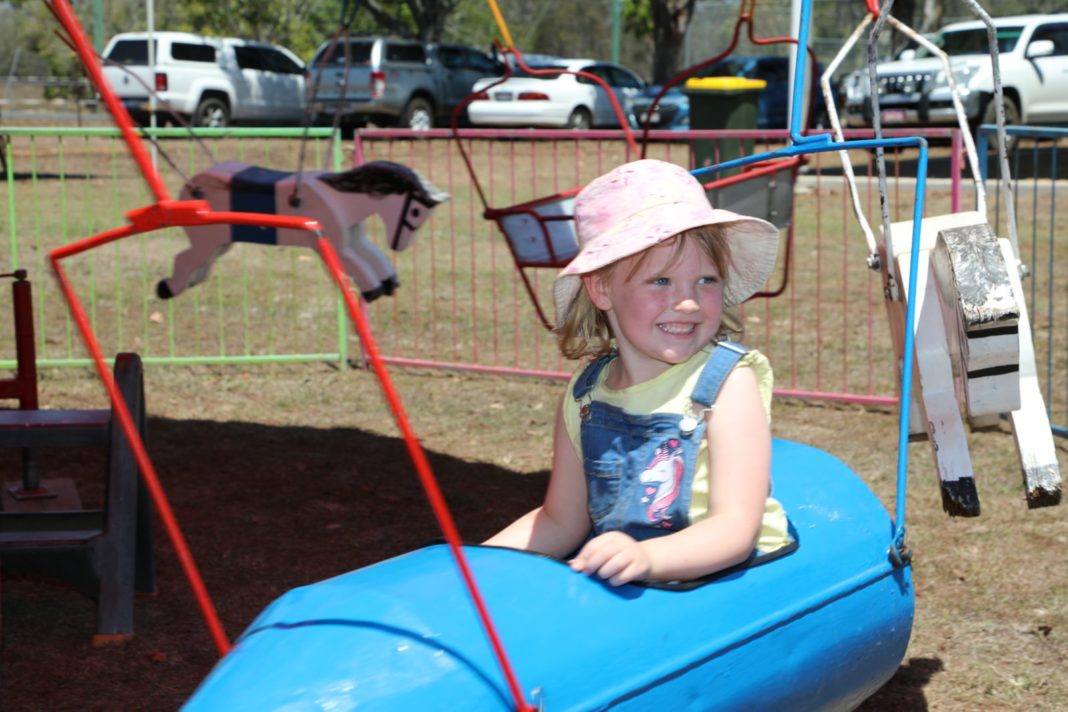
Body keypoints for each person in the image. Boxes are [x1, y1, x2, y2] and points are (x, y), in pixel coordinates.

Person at [485, 159, 792, 586]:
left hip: (733, 581)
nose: (687, 302)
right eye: (662, 281)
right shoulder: (586, 397)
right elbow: (559, 520)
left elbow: (735, 528)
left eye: (706, 280)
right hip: (640, 580)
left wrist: (646, 557)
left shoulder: (727, 383)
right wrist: (479, 566)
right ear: (601, 288)